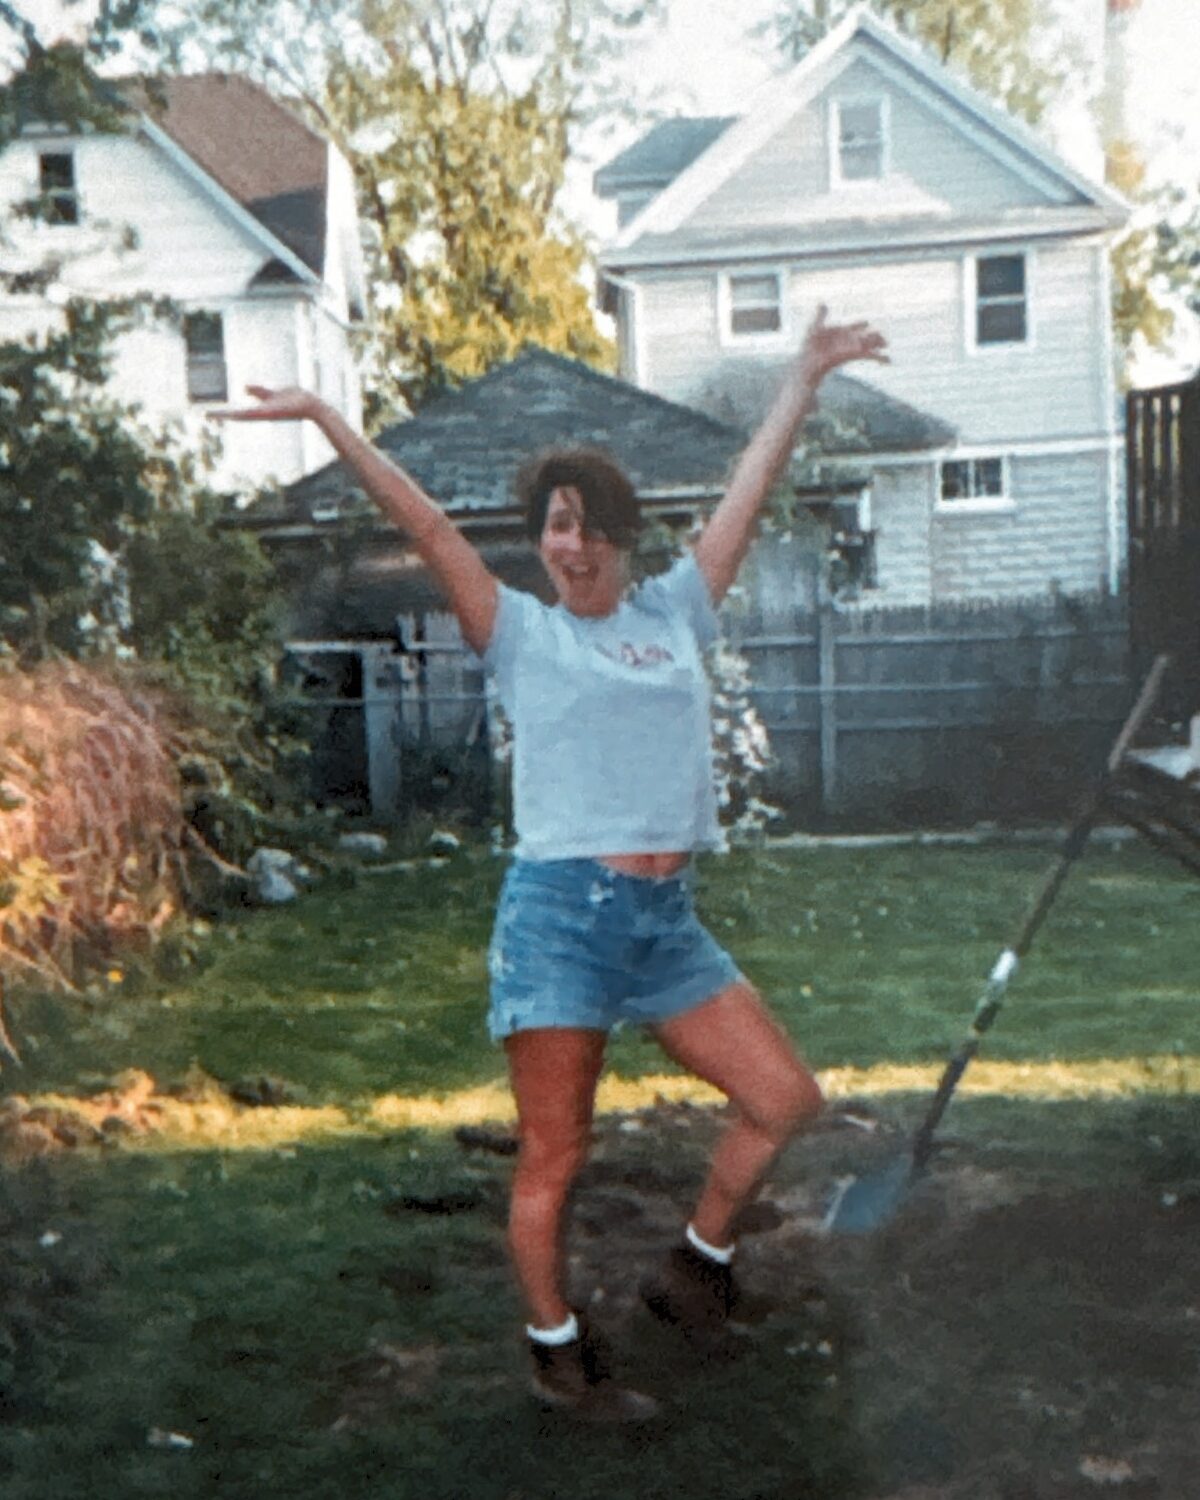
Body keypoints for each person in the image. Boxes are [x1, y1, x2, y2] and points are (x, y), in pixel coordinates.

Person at [216, 306, 888, 1422]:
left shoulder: (677, 609)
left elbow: (742, 499)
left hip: (666, 923)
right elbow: (430, 526)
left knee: (783, 1099)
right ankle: (557, 1351)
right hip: (563, 918)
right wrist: (331, 418)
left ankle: (691, 1272)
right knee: (556, 1155)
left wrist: (803, 379)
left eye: (580, 525)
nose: (563, 546)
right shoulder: (521, 630)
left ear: (620, 532)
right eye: (548, 530)